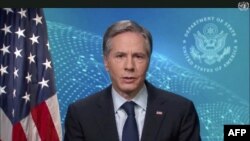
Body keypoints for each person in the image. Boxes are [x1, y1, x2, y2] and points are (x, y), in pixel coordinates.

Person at [64, 20, 201, 141]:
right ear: (106, 61)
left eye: (138, 56)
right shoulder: (81, 114)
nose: (129, 66)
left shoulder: (180, 111)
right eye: (120, 56)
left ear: (149, 61)